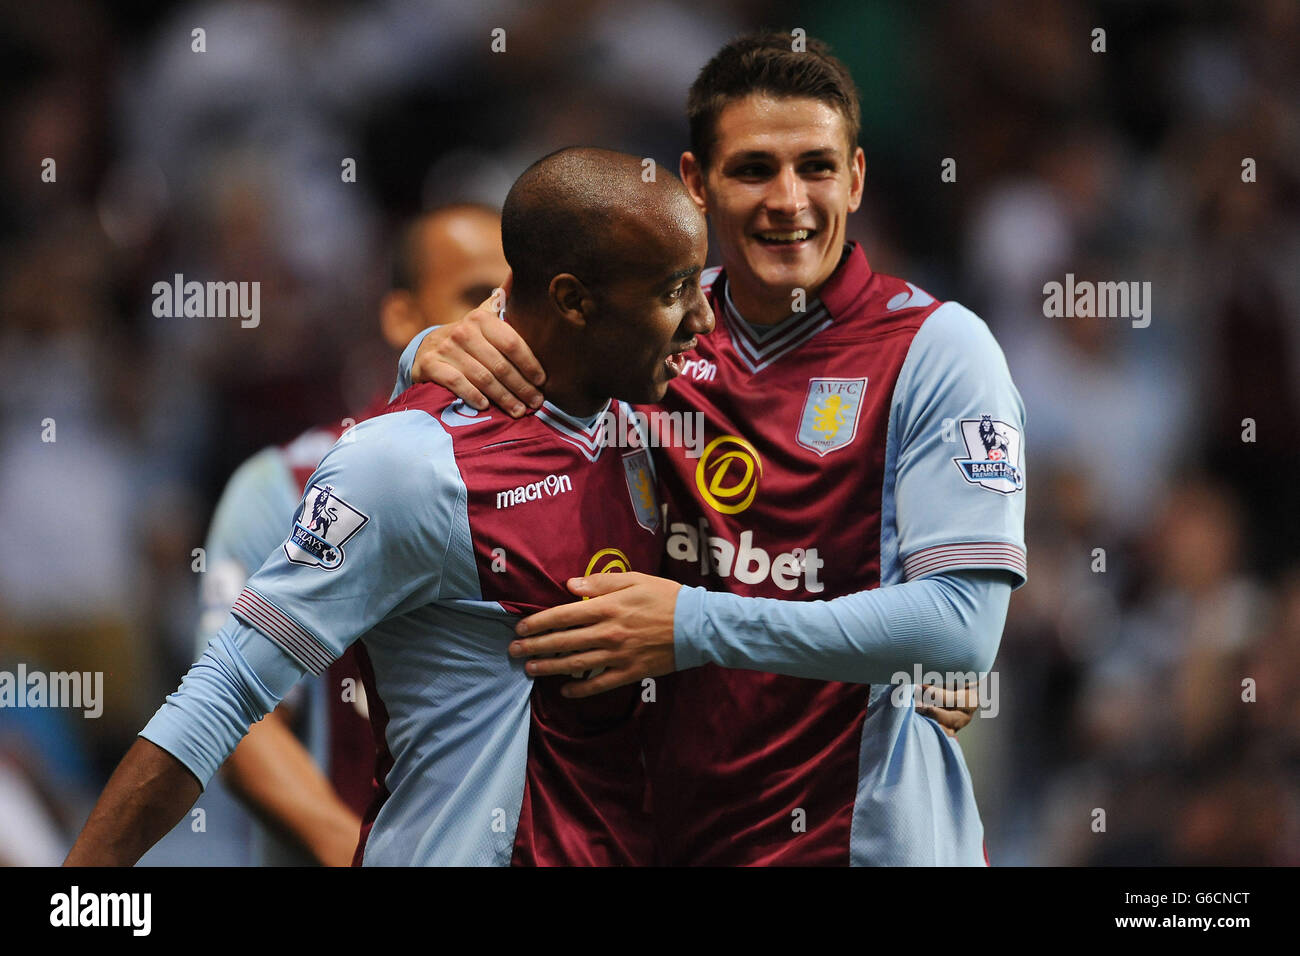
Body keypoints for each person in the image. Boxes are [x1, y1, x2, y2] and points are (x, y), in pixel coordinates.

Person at [396, 33, 1026, 865]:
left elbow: (959, 632)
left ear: (858, 178)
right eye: (754, 169)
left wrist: (692, 621)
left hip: (863, 844)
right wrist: (427, 354)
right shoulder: (639, 329)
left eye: (817, 167)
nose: (789, 200)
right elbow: (475, 409)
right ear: (695, 183)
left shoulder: (941, 351)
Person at [64, 147, 713, 866]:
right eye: (676, 289)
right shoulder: (386, 467)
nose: (704, 317)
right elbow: (224, 701)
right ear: (566, 298)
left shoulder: (638, 422)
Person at [194, 203, 508, 866]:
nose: (502, 323)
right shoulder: (285, 485)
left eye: (522, 297)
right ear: (402, 318)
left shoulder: (592, 467)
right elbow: (238, 723)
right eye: (476, 296)